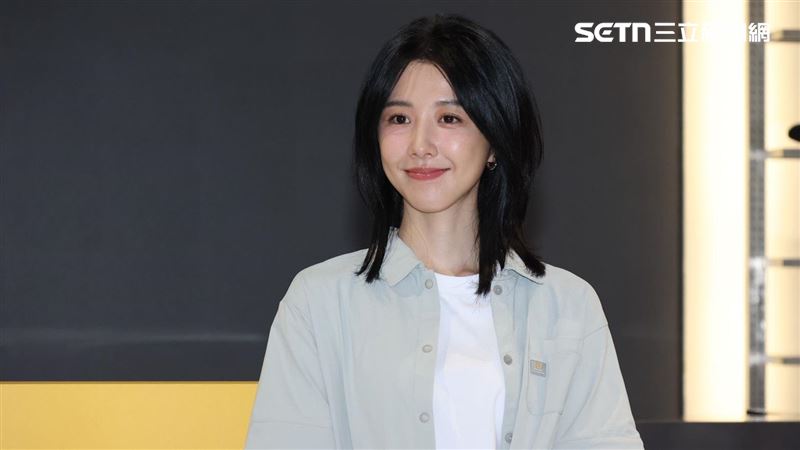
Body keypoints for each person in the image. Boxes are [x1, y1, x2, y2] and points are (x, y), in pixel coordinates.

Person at [245, 13, 644, 450]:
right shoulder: (318, 302)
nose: (420, 145)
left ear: (495, 140)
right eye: (399, 119)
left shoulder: (569, 306)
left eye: (450, 118)